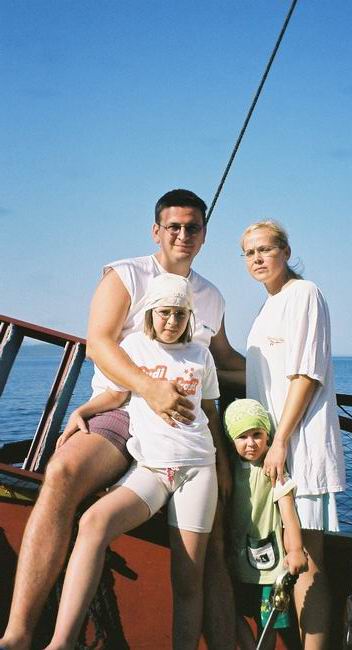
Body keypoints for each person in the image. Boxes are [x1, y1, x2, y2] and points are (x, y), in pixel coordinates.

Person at [1, 189, 244, 650]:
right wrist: (148, 389)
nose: (183, 235)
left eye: (193, 227)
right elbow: (100, 343)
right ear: (156, 230)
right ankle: (19, 634)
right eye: (173, 226)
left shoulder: (211, 297)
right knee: (62, 473)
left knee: (211, 543)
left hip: (182, 432)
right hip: (122, 410)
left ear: (204, 234)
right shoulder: (126, 275)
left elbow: (223, 359)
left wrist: (291, 374)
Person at [43, 273, 227, 650]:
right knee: (93, 523)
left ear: (189, 317)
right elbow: (117, 394)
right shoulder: (135, 348)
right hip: (152, 471)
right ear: (150, 313)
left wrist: (223, 467)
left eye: (180, 314)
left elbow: (209, 412)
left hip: (197, 471)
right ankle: (60, 643)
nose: (172, 321)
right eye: (164, 312)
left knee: (188, 577)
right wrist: (82, 411)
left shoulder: (201, 355)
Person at [241, 220, 346, 650]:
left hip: (297, 446)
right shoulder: (266, 307)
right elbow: (254, 373)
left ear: (285, 251)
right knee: (287, 558)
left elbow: (307, 374)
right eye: (249, 253)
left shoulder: (304, 294)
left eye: (265, 249)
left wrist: (281, 440)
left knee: (308, 562)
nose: (257, 258)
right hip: (273, 452)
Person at [223, 398, 308, 650]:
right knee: (228, 609)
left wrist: (295, 549)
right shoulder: (228, 469)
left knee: (268, 622)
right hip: (235, 558)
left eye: (257, 435)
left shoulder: (272, 469)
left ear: (267, 435)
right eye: (242, 437)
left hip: (270, 566)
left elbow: (288, 512)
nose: (251, 443)